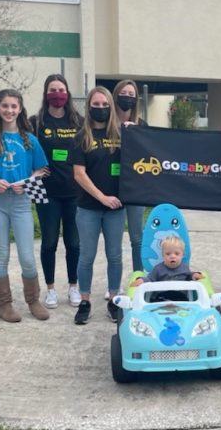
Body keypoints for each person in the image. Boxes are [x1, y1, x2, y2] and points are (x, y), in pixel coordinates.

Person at [0, 89, 51, 323]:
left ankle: (33, 300)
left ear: (20, 109)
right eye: (5, 106)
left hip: (21, 202)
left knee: (27, 255)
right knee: (1, 253)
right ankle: (4, 304)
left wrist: (28, 181)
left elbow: (42, 169)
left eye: (14, 106)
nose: (9, 110)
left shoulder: (29, 139)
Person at [28, 74, 83, 309]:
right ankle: (50, 289)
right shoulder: (35, 122)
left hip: (75, 192)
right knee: (49, 242)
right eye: (53, 89)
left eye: (61, 89)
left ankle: (73, 286)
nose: (57, 94)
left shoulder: (79, 122)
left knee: (74, 243)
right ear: (45, 93)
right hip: (46, 193)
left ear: (68, 93)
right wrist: (31, 174)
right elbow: (24, 151)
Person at [71, 87, 125, 325]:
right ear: (89, 106)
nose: (101, 108)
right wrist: (102, 197)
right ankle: (85, 301)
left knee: (114, 256)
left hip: (116, 208)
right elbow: (79, 174)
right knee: (87, 256)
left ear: (111, 107)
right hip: (88, 208)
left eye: (105, 104)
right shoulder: (82, 136)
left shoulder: (122, 134)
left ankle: (114, 299)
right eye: (96, 104)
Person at [112, 79, 146, 274]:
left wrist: (136, 133)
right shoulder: (106, 124)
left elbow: (150, 154)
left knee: (137, 238)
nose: (127, 97)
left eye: (131, 94)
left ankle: (139, 278)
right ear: (115, 96)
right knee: (114, 240)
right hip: (112, 188)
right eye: (123, 93)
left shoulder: (141, 124)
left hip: (135, 190)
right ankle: (114, 283)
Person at [129, 235, 205, 301]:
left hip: (181, 298)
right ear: (163, 255)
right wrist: (141, 280)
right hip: (161, 298)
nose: (172, 256)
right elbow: (150, 279)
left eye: (176, 253)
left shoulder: (185, 268)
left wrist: (194, 275)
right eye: (168, 254)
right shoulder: (158, 269)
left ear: (182, 255)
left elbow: (189, 277)